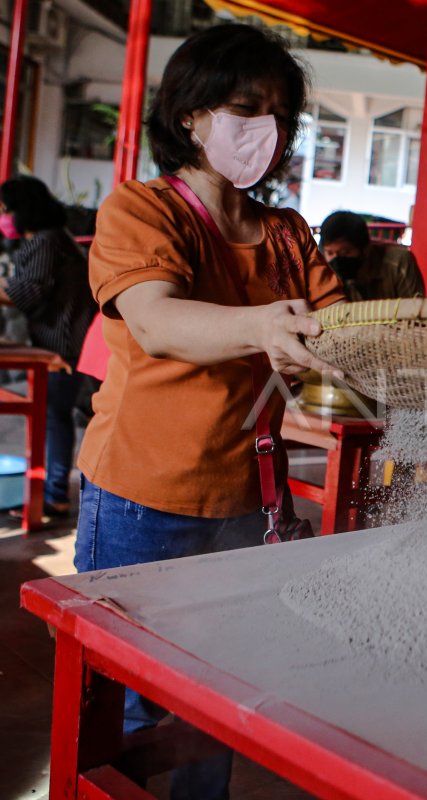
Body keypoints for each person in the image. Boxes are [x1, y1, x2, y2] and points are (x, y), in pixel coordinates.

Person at [74, 24, 344, 798]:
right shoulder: (143, 211)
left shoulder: (288, 233)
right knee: (129, 708)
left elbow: (345, 333)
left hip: (246, 502)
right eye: (243, 106)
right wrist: (262, 327)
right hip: (139, 495)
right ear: (190, 115)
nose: (266, 127)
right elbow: (156, 322)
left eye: (280, 114)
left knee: (215, 701)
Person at [0, 175, 98, 519]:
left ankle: (53, 494)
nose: (4, 217)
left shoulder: (46, 241)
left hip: (64, 344)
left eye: (6, 210)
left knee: (54, 417)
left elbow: (28, 292)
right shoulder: (55, 238)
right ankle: (50, 491)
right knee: (55, 416)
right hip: (67, 341)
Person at [319, 210, 425, 300]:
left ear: (365, 249)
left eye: (345, 252)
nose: (337, 259)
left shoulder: (398, 264)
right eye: (330, 253)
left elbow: (415, 313)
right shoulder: (323, 270)